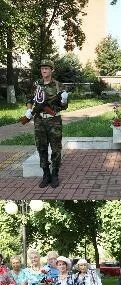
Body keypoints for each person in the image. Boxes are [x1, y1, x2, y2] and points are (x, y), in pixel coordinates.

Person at [24, 59, 69, 188]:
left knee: (56, 149)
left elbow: (64, 106)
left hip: (54, 120)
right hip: (39, 121)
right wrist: (28, 110)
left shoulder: (59, 86)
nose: (44, 70)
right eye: (42, 68)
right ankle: (46, 174)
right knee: (41, 148)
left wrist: (64, 100)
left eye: (47, 68)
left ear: (52, 70)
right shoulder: (36, 84)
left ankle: (55, 174)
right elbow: (29, 99)